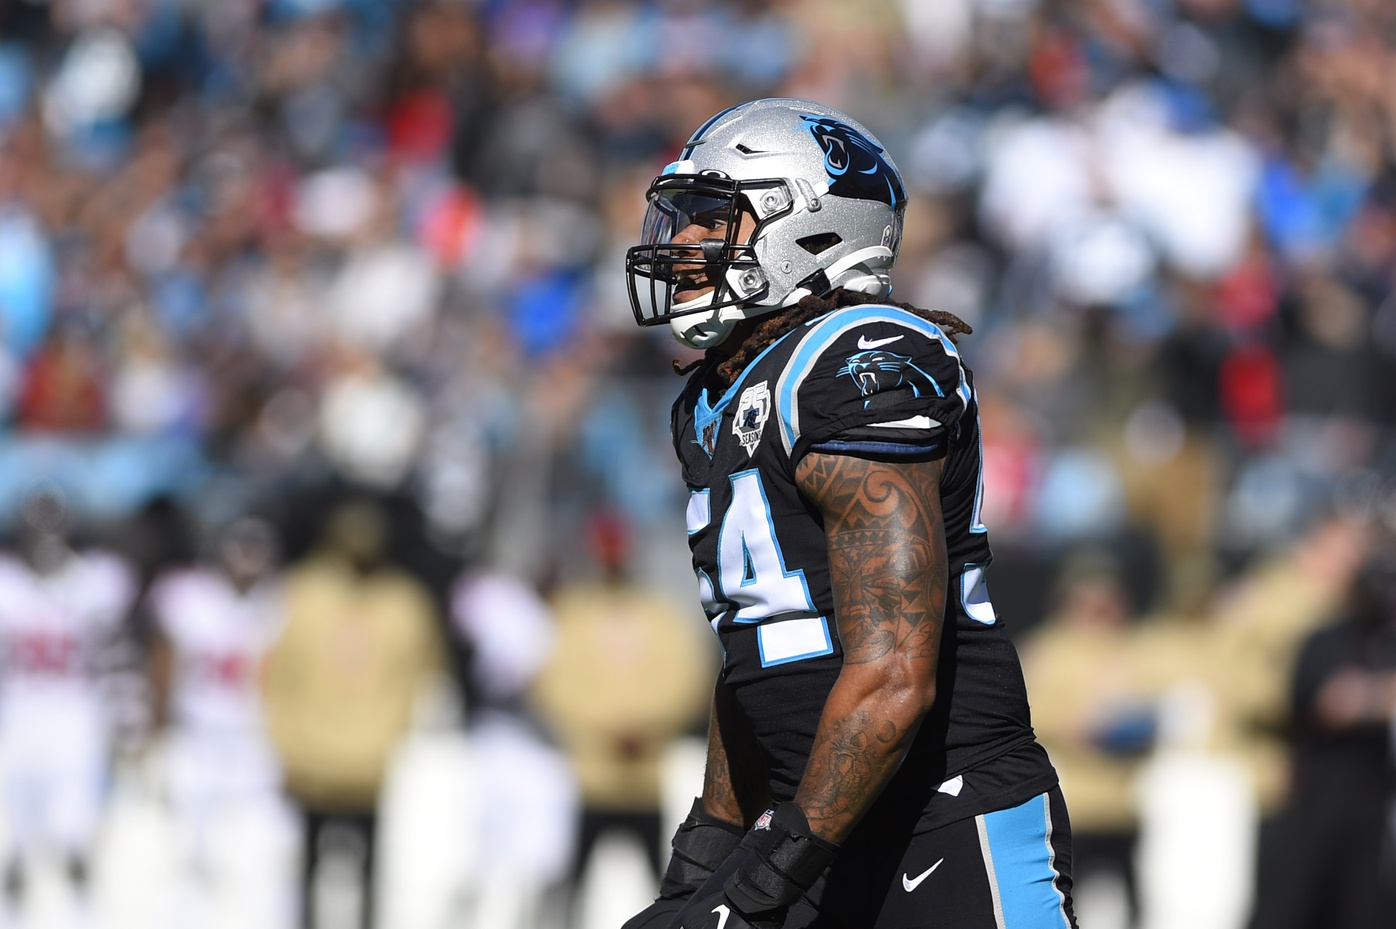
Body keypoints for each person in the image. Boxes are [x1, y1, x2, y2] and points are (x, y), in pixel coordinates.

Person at [620, 97, 1075, 929]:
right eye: (682, 220)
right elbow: (758, 658)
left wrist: (758, 884)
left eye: (714, 219)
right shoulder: (714, 400)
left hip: (940, 821)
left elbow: (895, 677)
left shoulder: (861, 361)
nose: (683, 244)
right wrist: (703, 858)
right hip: (813, 830)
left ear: (814, 229)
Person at [261, 498, 447, 929]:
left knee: (368, 877)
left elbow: (423, 678)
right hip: (314, 762)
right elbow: (279, 679)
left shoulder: (403, 602)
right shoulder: (305, 594)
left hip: (370, 764)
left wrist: (393, 735)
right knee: (307, 874)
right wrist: (286, 747)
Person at [144, 516, 297, 929]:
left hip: (254, 743)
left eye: (256, 551)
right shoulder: (190, 597)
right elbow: (163, 666)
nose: (248, 562)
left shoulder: (283, 603)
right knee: (185, 854)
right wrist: (156, 736)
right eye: (241, 550)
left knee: (267, 851)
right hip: (197, 738)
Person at [0, 487, 137, 927]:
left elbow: (117, 659)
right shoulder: (7, 584)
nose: (45, 542)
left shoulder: (95, 583)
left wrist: (128, 723)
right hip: (16, 723)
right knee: (13, 846)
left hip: (76, 725)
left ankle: (81, 918)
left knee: (75, 843)